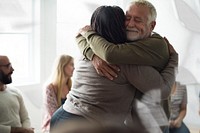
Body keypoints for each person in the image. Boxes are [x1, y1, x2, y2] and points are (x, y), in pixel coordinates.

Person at [50, 5, 178, 133]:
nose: (130, 24)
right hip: (86, 125)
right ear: (120, 26)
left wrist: (88, 41)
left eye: (137, 20)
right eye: (127, 19)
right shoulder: (123, 61)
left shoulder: (87, 50)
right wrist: (174, 58)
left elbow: (86, 39)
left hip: (62, 116)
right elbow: (163, 90)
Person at [0, 55, 34, 133]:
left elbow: (25, 118)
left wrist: (26, 130)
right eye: (8, 66)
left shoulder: (15, 92)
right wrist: (20, 131)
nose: (12, 69)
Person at [42, 54, 74, 133]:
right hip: (54, 126)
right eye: (71, 64)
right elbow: (53, 114)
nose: (74, 68)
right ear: (63, 66)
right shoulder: (49, 88)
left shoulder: (71, 86)